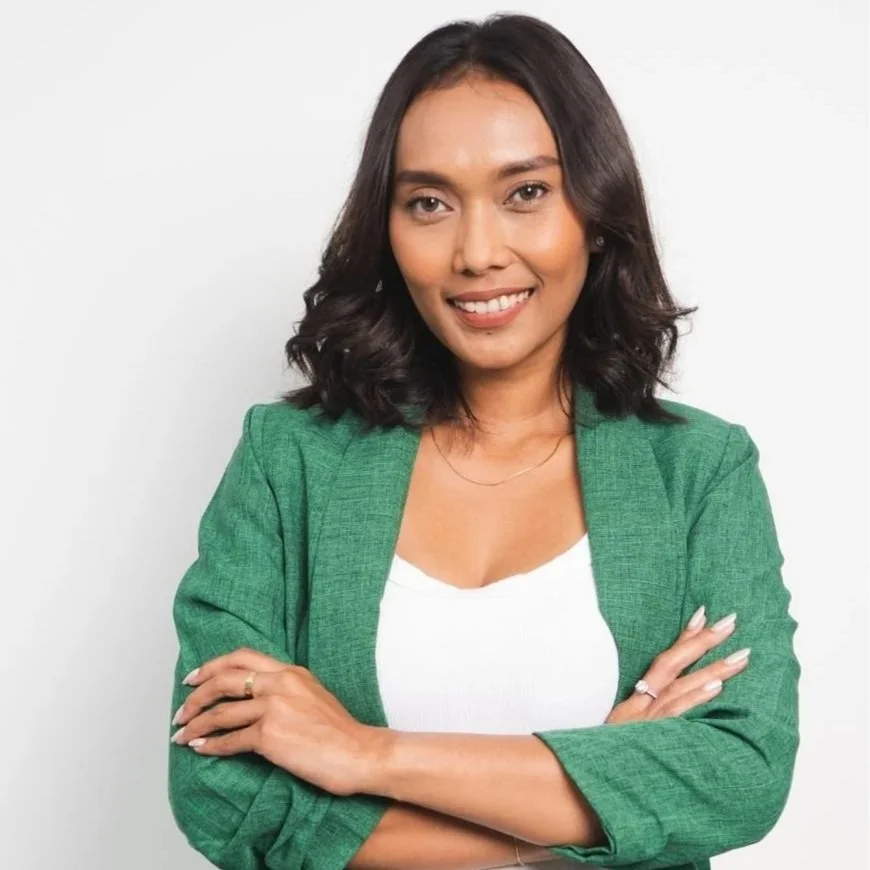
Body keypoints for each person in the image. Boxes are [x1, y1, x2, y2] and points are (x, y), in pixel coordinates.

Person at [166, 12, 800, 870]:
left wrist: (365, 755)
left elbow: (741, 772)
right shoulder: (290, 461)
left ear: (597, 212)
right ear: (387, 230)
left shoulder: (697, 471)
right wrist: (589, 805)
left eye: (525, 193)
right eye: (428, 203)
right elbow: (221, 796)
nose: (475, 253)